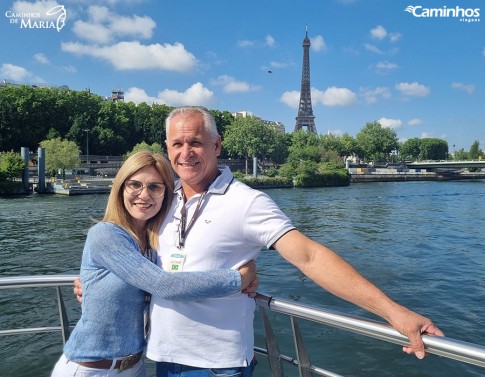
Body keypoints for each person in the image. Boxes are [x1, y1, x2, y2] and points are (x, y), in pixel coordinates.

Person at [145, 106, 444, 377]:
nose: (186, 152)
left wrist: (394, 312)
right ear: (168, 149)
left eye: (195, 142)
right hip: (164, 356)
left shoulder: (247, 203)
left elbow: (310, 257)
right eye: (177, 144)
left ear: (217, 144)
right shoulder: (163, 197)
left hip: (214, 364)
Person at [53, 151, 257, 377]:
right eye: (135, 185)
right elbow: (164, 284)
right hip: (91, 370)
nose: (144, 195)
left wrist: (248, 263)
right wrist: (237, 278)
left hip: (135, 366)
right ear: (120, 188)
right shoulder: (105, 234)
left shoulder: (153, 242)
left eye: (154, 187)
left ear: (165, 194)